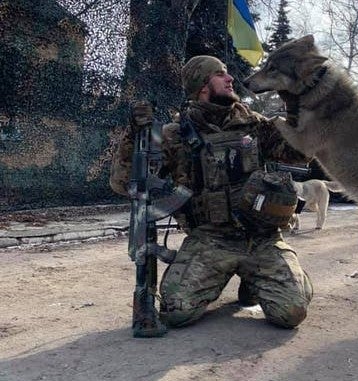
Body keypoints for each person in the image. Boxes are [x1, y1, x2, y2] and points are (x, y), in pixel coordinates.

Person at [110, 55, 313, 329]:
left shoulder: (254, 124)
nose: (230, 79)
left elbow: (300, 153)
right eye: (221, 74)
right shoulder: (174, 135)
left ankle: (259, 280)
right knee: (175, 312)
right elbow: (124, 183)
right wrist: (133, 137)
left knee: (291, 312)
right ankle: (237, 275)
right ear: (203, 86)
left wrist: (295, 103)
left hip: (261, 238)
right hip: (211, 240)